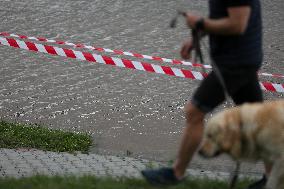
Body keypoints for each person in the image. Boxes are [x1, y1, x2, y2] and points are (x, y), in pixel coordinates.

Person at [142, 0, 271, 188]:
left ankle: (176, 173)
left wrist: (200, 23)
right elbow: (225, 16)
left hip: (234, 64)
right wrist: (198, 36)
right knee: (258, 120)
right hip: (243, 60)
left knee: (194, 111)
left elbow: (238, 24)